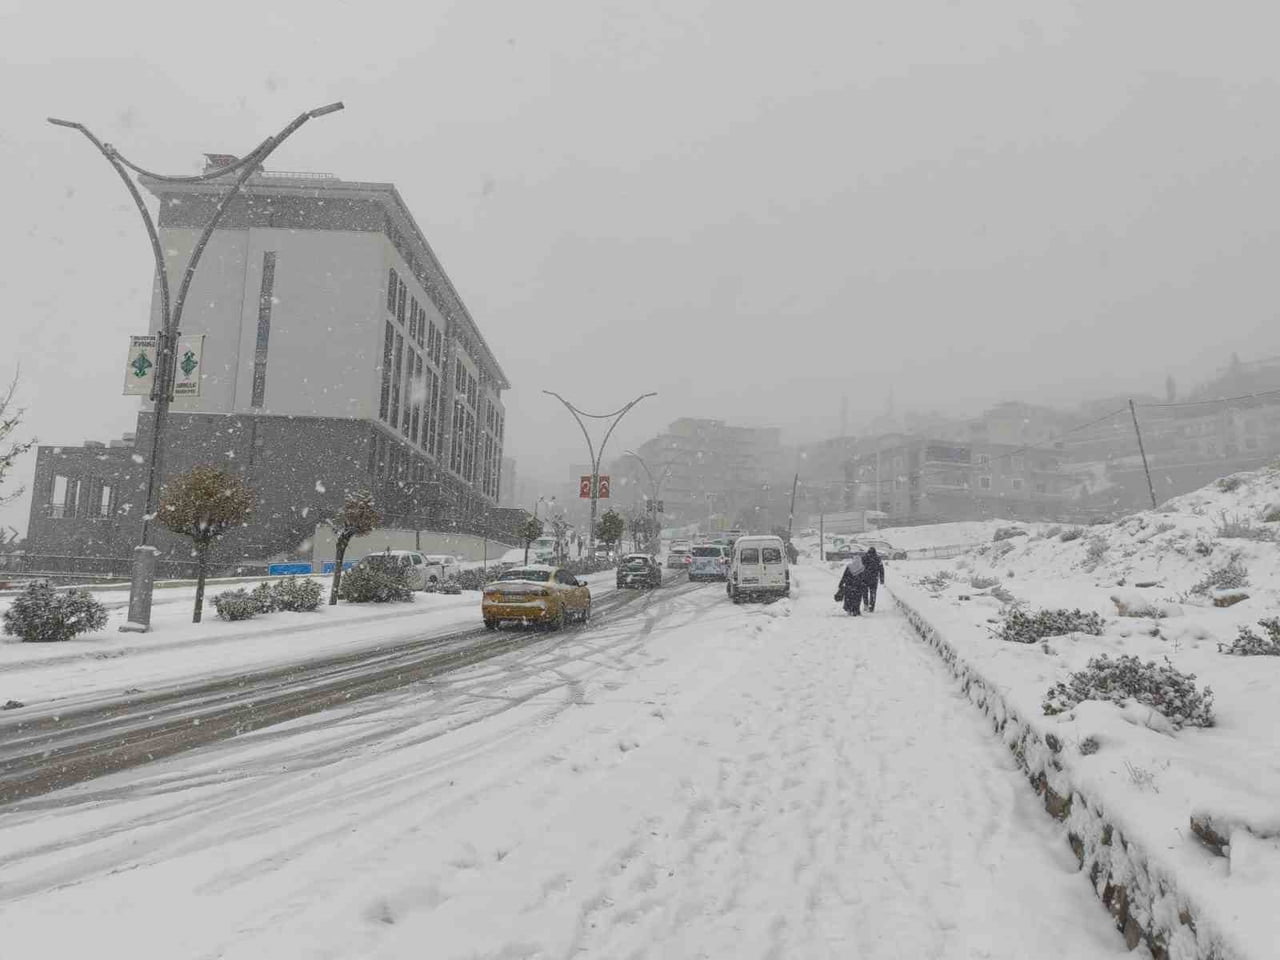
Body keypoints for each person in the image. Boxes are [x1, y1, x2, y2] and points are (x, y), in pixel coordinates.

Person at [862, 547, 886, 612]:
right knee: (873, 593)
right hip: (874, 578)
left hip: (865, 578)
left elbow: (860, 568)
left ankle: (866, 605)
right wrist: (882, 579)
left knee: (865, 593)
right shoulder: (878, 558)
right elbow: (881, 569)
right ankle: (871, 607)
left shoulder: (864, 558)